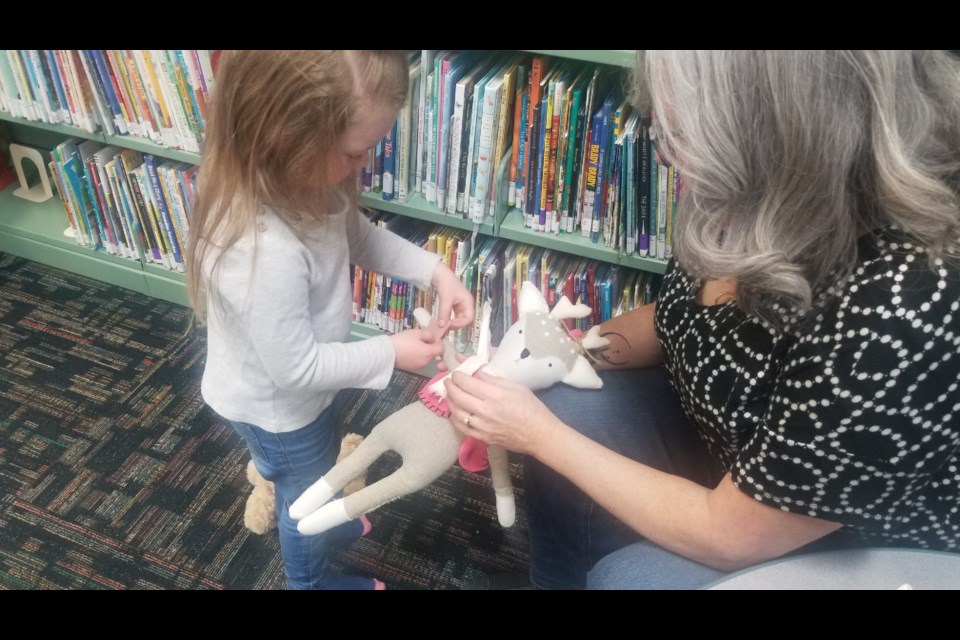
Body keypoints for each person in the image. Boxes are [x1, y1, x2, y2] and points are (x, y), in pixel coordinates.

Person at [444, 50, 960, 589]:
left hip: (857, 537)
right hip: (742, 456)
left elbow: (732, 535)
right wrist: (559, 357)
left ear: (788, 136)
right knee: (562, 400)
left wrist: (536, 433)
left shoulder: (902, 305)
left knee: (631, 576)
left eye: (686, 134)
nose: (666, 157)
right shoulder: (751, 195)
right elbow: (680, 320)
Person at [185, 50, 474, 590]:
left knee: (311, 460)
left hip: (294, 397)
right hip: (279, 406)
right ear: (289, 135)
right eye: (355, 152)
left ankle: (303, 500)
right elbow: (297, 368)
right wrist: (390, 351)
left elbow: (357, 235)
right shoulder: (261, 249)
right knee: (304, 495)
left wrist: (436, 272)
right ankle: (309, 582)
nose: (361, 166)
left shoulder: (301, 180)